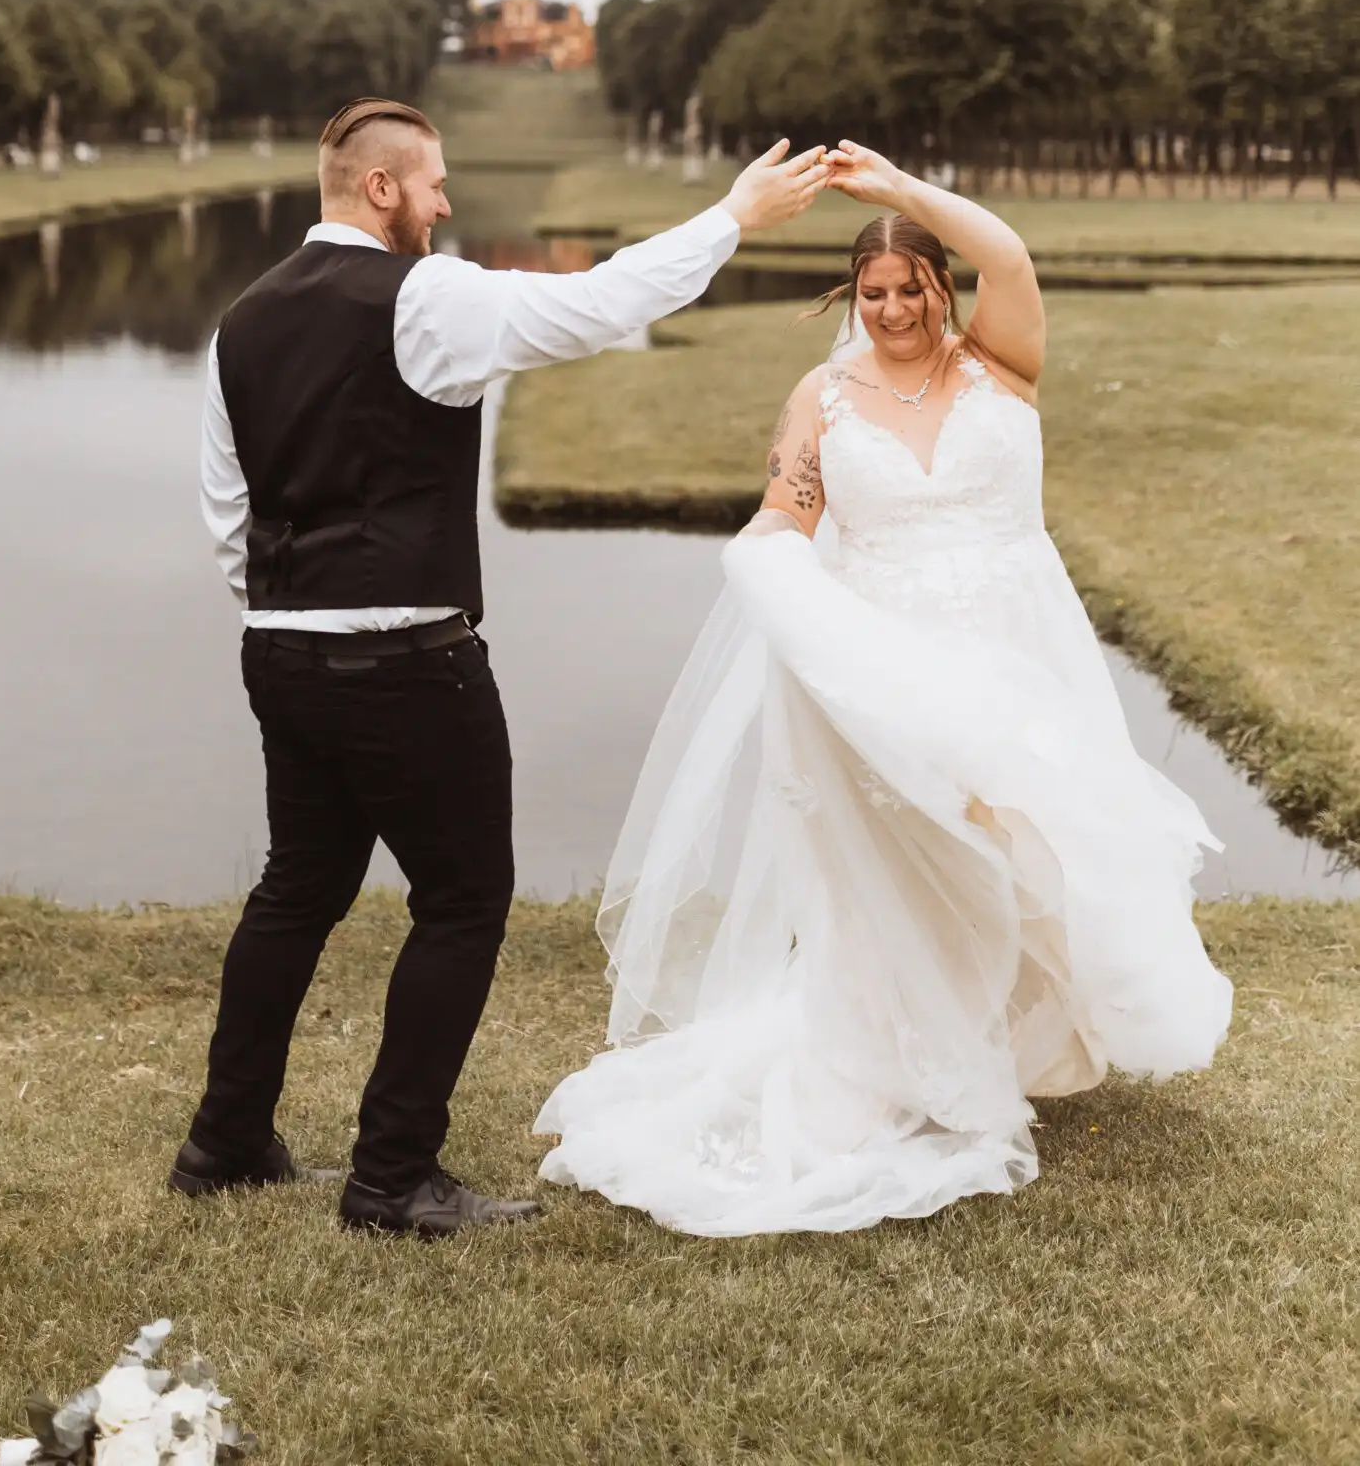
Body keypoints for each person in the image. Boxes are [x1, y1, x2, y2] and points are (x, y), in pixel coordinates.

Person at [536, 140, 1232, 1235]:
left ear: (940, 287)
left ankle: (1012, 1038)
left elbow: (1007, 251)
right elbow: (786, 514)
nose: (897, 306)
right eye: (876, 291)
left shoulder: (999, 361)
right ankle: (917, 1060)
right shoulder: (824, 394)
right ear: (851, 297)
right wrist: (762, 560)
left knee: (1034, 845)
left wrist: (903, 193)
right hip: (879, 664)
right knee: (909, 862)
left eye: (913, 286)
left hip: (1016, 652)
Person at [169, 95, 832, 1236]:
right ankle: (390, 1176)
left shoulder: (239, 320)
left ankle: (223, 1142)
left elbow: (228, 513)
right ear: (379, 188)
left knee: (297, 889)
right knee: (464, 900)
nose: (442, 206)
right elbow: (597, 303)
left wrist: (295, 613)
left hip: (280, 653)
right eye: (432, 187)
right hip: (406, 662)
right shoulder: (423, 295)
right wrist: (734, 214)